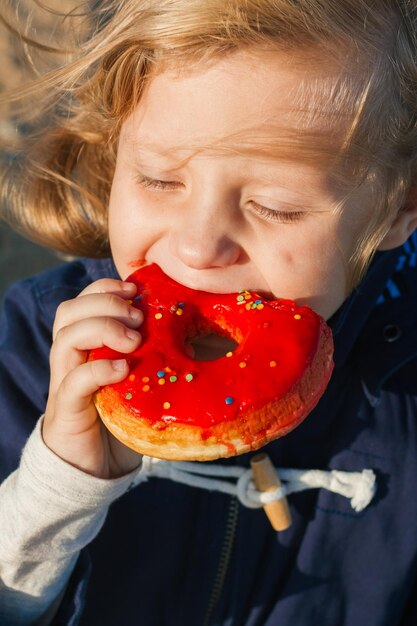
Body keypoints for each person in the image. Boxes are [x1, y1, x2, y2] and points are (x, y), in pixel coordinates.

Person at [1, 0, 417, 624]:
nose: (197, 247)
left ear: (396, 210)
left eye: (276, 206)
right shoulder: (36, 348)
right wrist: (60, 482)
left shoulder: (404, 378)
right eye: (160, 180)